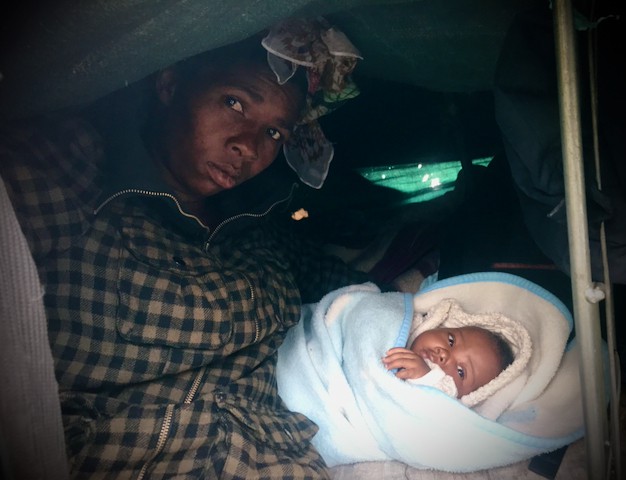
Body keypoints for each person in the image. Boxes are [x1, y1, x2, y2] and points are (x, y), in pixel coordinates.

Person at [0, 17, 369, 479]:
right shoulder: (69, 176)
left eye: (275, 133)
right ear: (170, 84)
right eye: (234, 102)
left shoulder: (256, 228)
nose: (248, 147)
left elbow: (348, 290)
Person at [383, 324, 514, 398]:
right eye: (451, 341)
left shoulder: (443, 409)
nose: (444, 355)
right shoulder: (402, 322)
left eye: (460, 371)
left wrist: (426, 379)